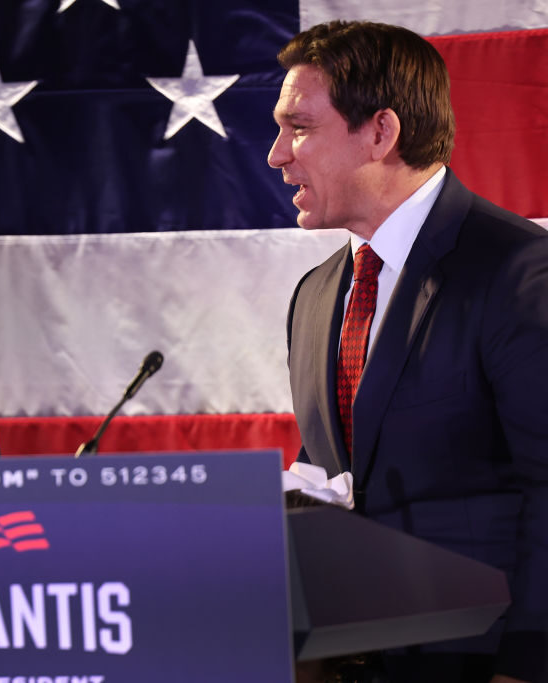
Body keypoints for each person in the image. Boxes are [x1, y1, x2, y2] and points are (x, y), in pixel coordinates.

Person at [270, 20, 548, 683]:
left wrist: (526, 664)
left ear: (380, 132)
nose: (277, 153)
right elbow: (331, 474)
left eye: (299, 127)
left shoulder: (516, 272)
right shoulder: (314, 297)